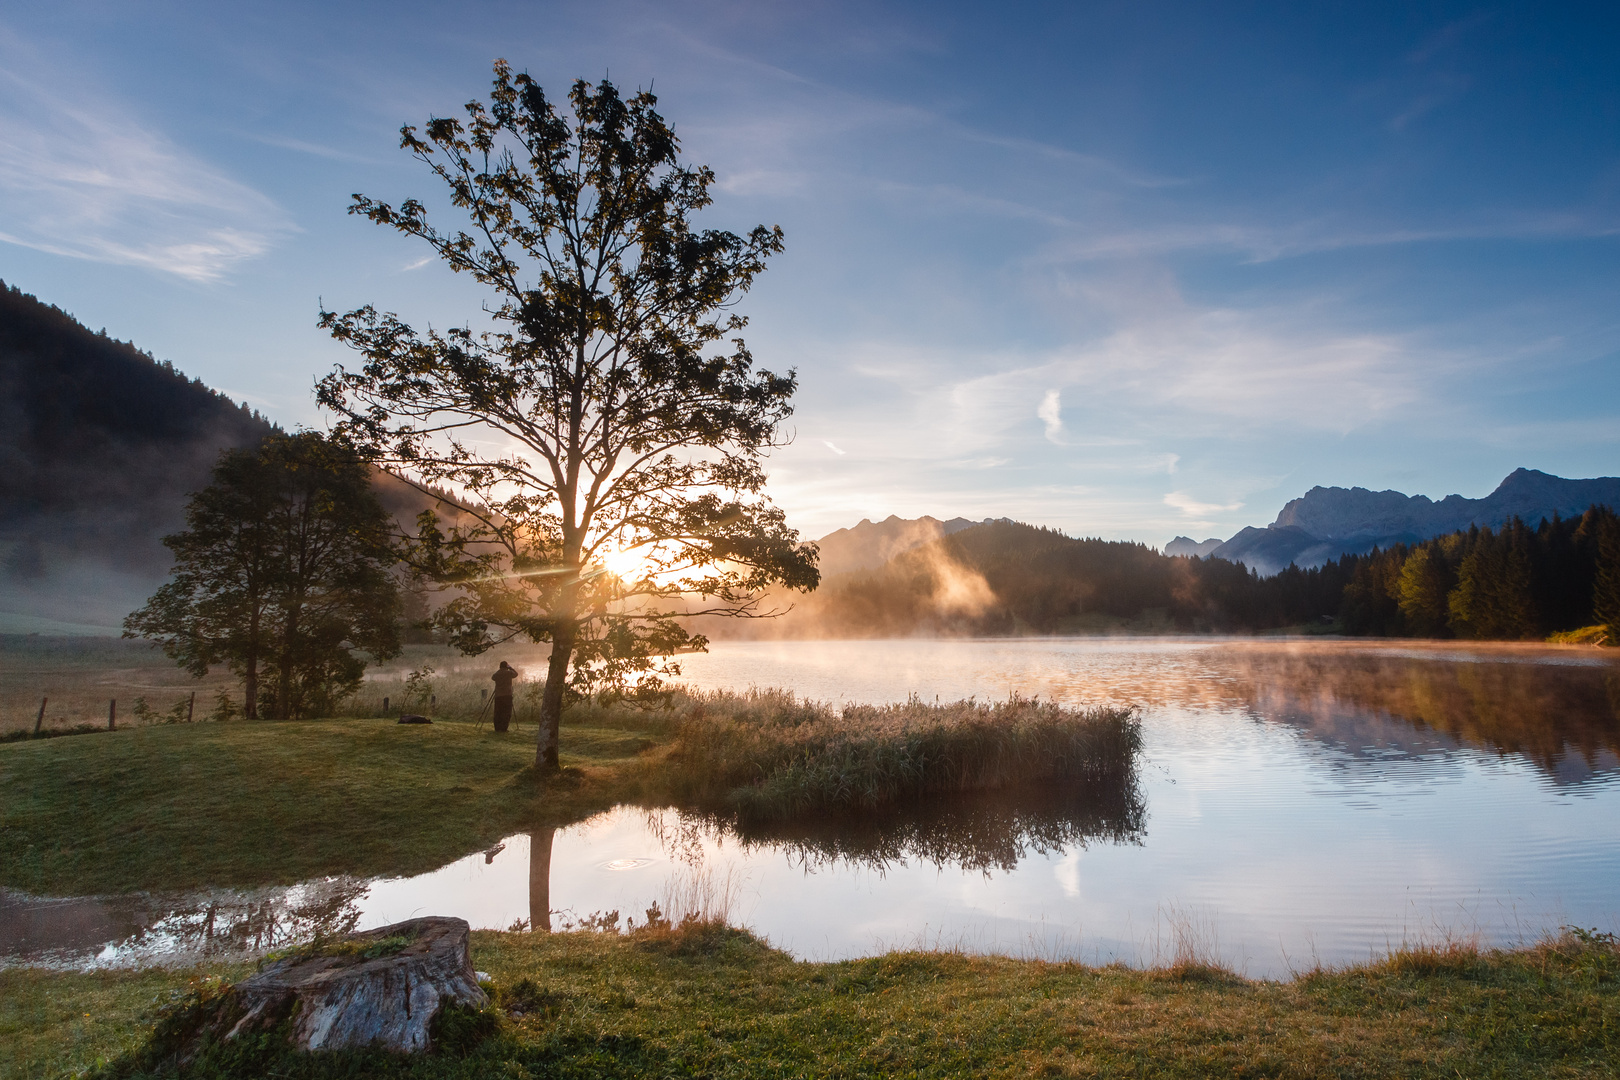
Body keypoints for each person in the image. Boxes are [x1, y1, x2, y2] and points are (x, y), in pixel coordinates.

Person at [491, 661, 518, 732]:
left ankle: (497, 728)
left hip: (498, 695)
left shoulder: (497, 674)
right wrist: (511, 668)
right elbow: (516, 674)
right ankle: (504, 728)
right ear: (506, 666)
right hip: (507, 695)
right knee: (506, 712)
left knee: (498, 712)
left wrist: (500, 670)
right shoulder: (509, 673)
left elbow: (493, 678)